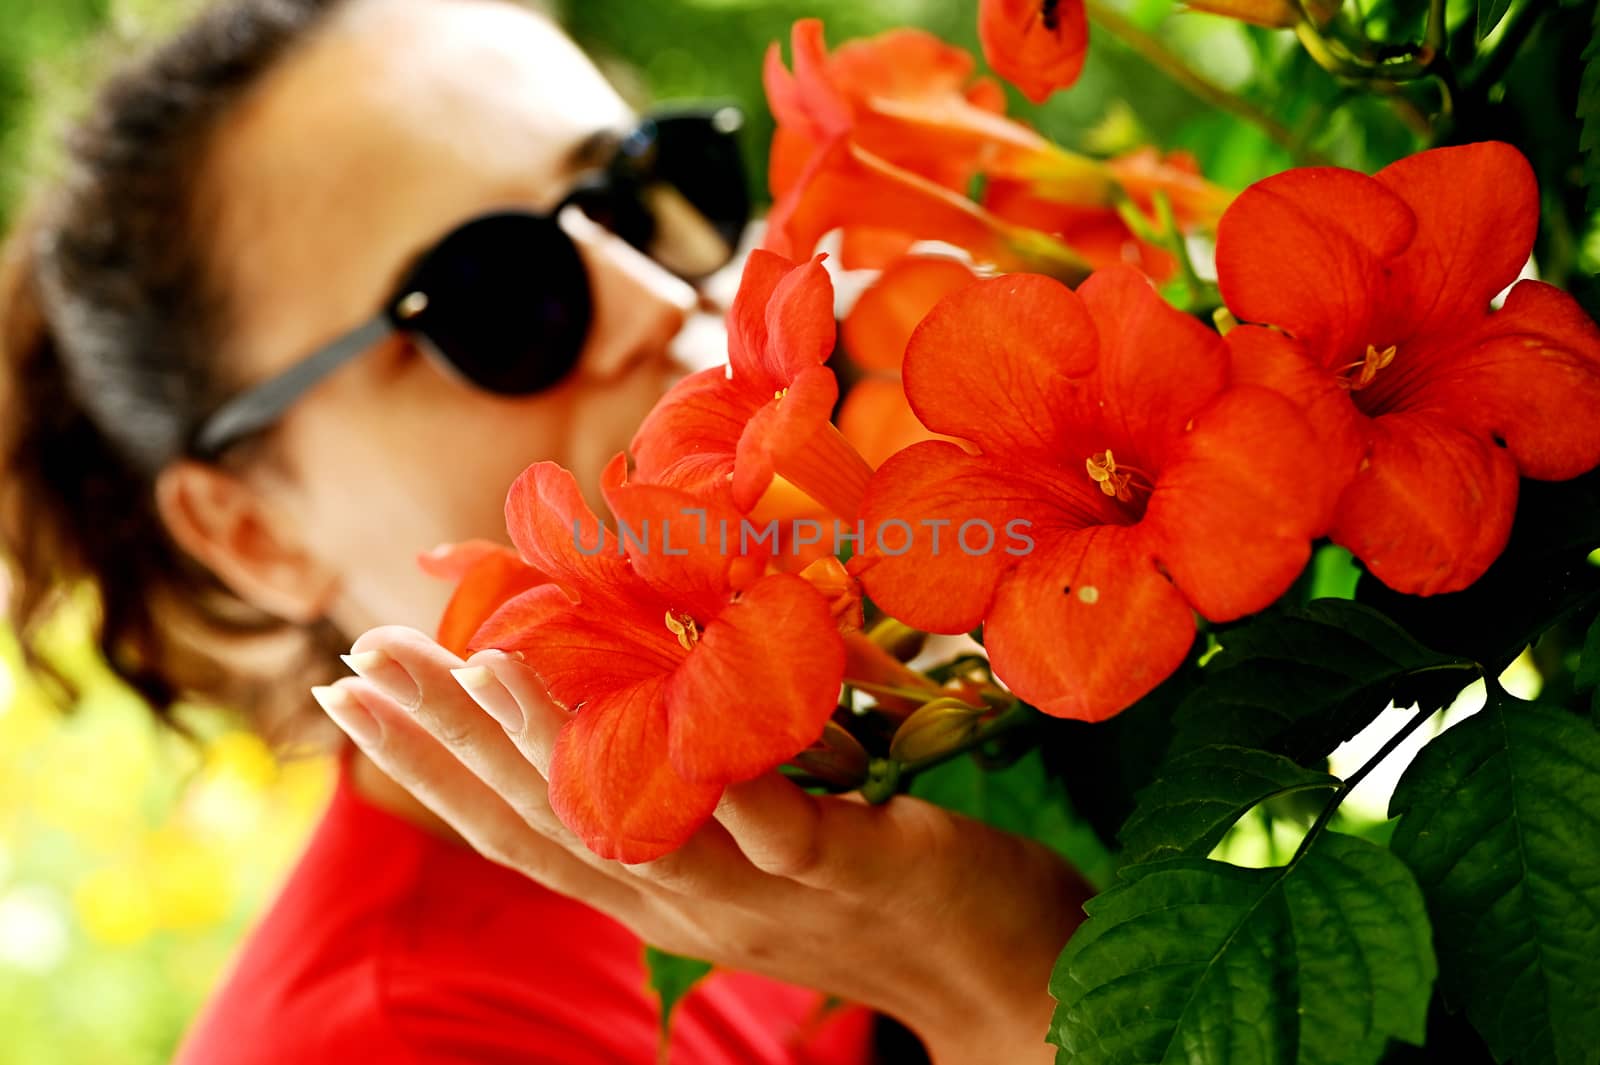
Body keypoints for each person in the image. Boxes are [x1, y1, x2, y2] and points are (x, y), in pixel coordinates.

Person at [0, 0, 1090, 1061]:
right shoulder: (396, 1043)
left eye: (639, 194)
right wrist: (998, 982)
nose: (660, 298)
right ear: (251, 533)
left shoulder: (876, 711)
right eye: (493, 295)